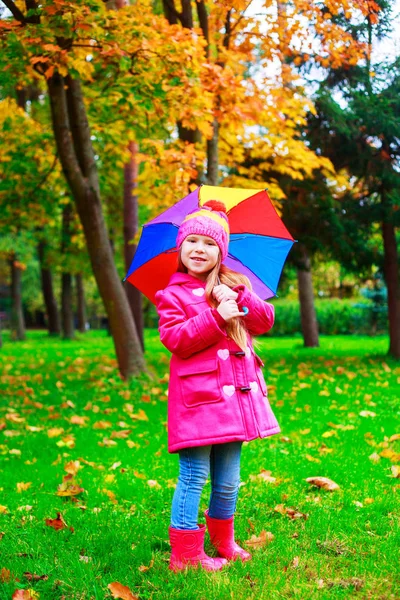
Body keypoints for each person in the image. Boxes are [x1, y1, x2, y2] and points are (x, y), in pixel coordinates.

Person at [155, 200, 280, 572]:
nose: (199, 249)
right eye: (192, 241)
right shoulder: (171, 294)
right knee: (194, 475)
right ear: (181, 248)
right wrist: (214, 317)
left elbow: (264, 321)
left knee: (228, 481)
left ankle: (223, 541)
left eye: (209, 244)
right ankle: (186, 555)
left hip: (236, 398)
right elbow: (176, 339)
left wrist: (239, 297)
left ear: (221, 250)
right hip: (198, 400)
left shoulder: (235, 285)